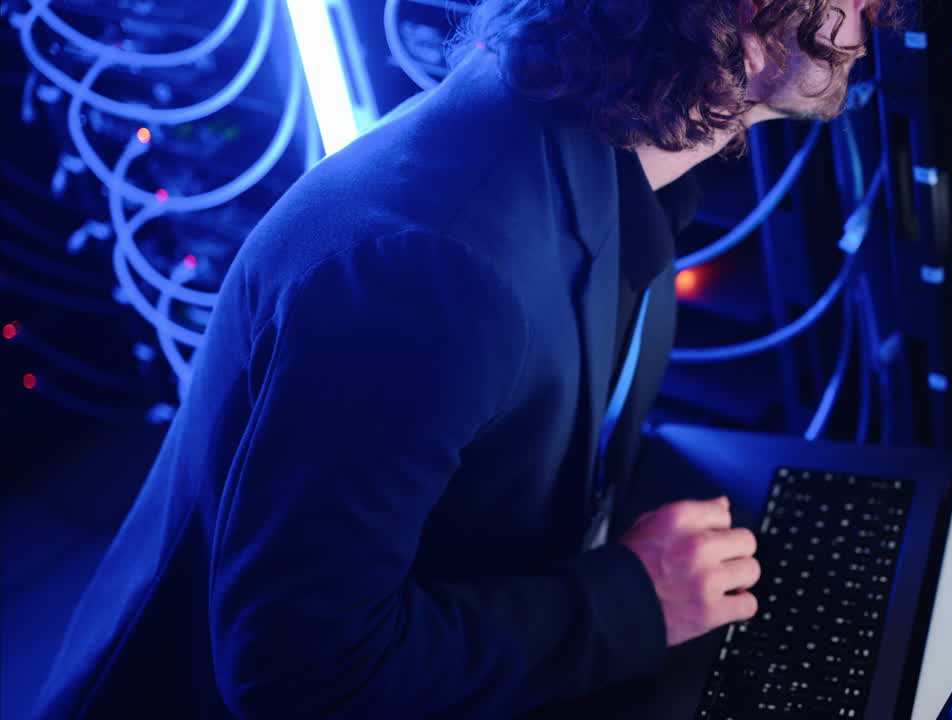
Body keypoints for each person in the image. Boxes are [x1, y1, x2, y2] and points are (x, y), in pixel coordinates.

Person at [32, 0, 886, 716]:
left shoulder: (598, 146)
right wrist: (632, 602)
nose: (877, 13)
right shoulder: (433, 267)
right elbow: (297, 672)